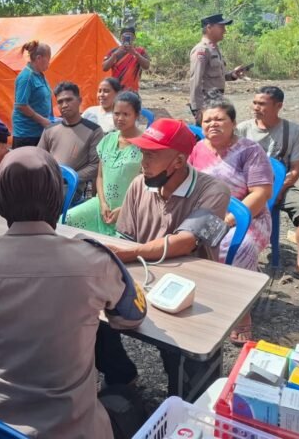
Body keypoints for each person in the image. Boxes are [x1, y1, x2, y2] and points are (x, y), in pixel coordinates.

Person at [0, 147, 147, 437]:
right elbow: (131, 317)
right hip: (72, 429)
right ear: (58, 197)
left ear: (1, 199)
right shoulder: (94, 259)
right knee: (129, 400)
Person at [96, 118, 231, 391]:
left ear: (178, 162)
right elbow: (126, 239)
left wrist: (130, 253)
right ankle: (122, 379)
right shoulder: (138, 185)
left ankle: (186, 412)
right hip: (145, 277)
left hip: (193, 293)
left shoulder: (215, 191)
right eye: (143, 153)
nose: (143, 161)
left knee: (185, 360)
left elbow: (187, 241)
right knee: (92, 322)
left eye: (151, 155)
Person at [189, 98, 273, 344]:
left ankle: (242, 315)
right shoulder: (198, 149)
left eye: (219, 119)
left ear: (233, 123)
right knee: (181, 238)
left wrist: (230, 218)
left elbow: (261, 194)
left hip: (248, 216)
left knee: (238, 248)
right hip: (208, 214)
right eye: (207, 120)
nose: (212, 124)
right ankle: (201, 297)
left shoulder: (249, 151)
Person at [236, 86, 299, 288]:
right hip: (246, 185)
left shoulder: (295, 132)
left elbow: (295, 171)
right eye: (255, 103)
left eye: (262, 104)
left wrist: (276, 192)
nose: (256, 108)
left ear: (279, 106)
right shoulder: (242, 129)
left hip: (281, 186)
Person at [66, 91, 144, 236]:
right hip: (102, 206)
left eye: (126, 114)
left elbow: (148, 187)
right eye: (116, 113)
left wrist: (124, 209)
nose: (120, 118)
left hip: (132, 210)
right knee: (65, 221)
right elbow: (100, 176)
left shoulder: (145, 145)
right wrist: (102, 203)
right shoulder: (107, 140)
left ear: (137, 115)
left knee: (118, 246)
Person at [38, 81, 103, 198]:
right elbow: (39, 157)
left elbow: (95, 166)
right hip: (48, 182)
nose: (64, 105)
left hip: (72, 188)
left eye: (69, 100)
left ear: (79, 100)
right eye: (60, 102)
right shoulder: (50, 129)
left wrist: (69, 177)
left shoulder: (94, 131)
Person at [188, 14, 246, 125]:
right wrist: (198, 108)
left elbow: (216, 75)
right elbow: (195, 81)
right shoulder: (202, 50)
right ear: (209, 27)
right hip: (206, 103)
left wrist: (233, 74)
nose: (224, 31)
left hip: (216, 100)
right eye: (221, 27)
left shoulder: (213, 49)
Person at [12, 40, 52, 148]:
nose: (49, 63)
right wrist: (42, 120)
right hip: (26, 134)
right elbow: (21, 105)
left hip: (39, 132)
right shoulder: (26, 77)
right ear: (39, 58)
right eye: (48, 59)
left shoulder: (39, 75)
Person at [102, 26, 150, 92]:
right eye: (124, 36)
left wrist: (135, 54)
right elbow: (104, 68)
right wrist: (115, 55)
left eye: (130, 36)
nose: (127, 38)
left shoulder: (140, 51)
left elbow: (146, 66)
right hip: (116, 89)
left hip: (132, 90)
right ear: (121, 38)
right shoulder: (113, 51)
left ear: (134, 38)